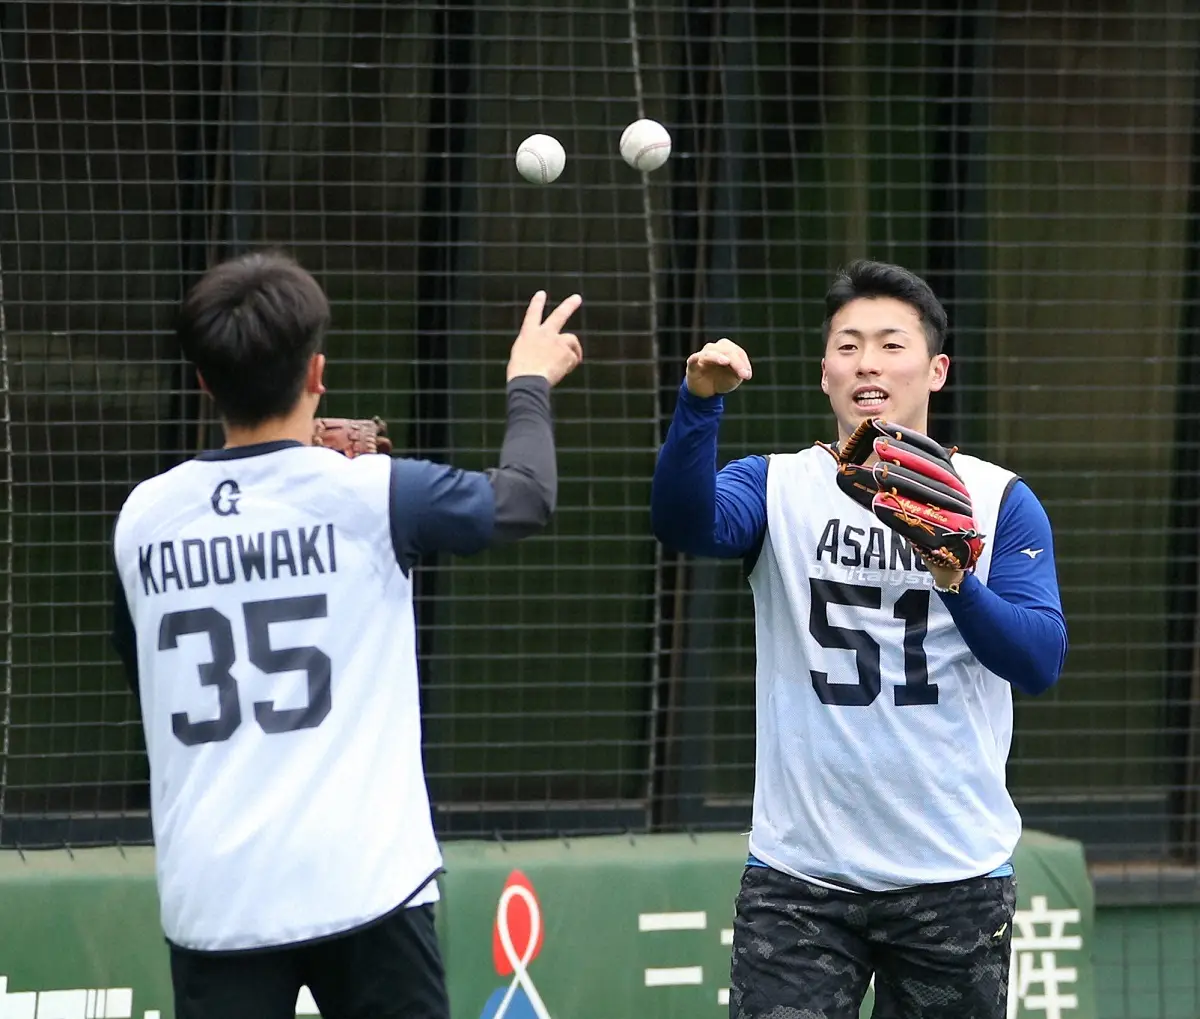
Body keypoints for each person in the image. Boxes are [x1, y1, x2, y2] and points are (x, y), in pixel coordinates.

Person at [111, 250, 583, 1019]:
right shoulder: (371, 494)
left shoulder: (144, 519)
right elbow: (524, 497)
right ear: (316, 373)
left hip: (217, 895)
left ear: (203, 382)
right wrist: (529, 381)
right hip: (364, 883)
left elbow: (149, 676)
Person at [650, 260, 1068, 1019]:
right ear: (824, 374)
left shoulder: (996, 497)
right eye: (847, 346)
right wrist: (699, 402)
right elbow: (684, 523)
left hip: (954, 877)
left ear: (937, 370)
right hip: (800, 880)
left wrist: (955, 577)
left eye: (890, 344)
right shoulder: (775, 484)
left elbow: (1038, 660)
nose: (867, 362)